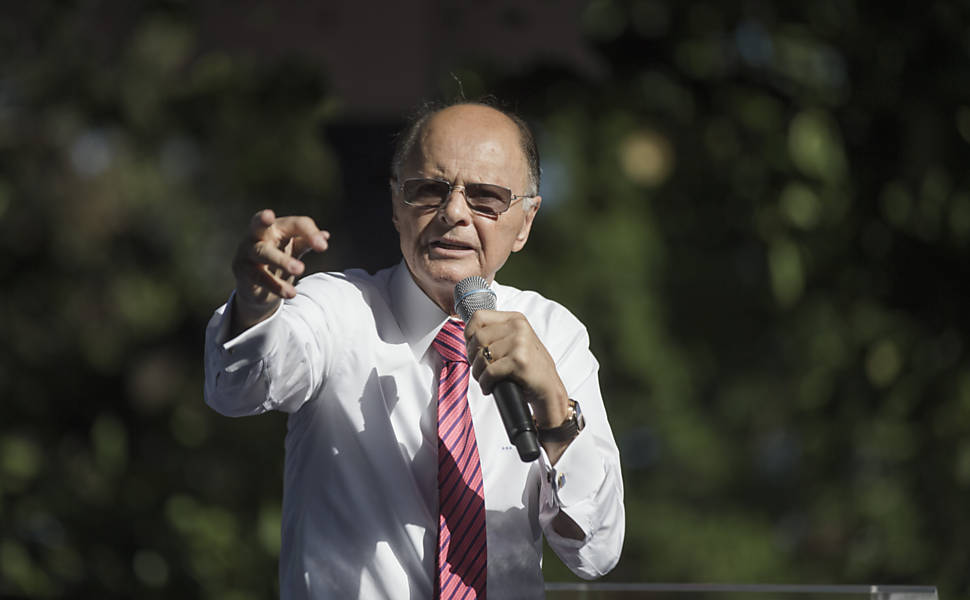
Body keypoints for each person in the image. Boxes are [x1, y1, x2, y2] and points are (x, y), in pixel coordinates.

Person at [203, 101, 624, 599]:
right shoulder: (337, 309)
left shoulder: (555, 334)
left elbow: (595, 553)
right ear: (396, 205)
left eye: (486, 198)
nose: (453, 213)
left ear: (526, 222)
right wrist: (255, 308)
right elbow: (236, 388)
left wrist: (553, 408)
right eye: (428, 190)